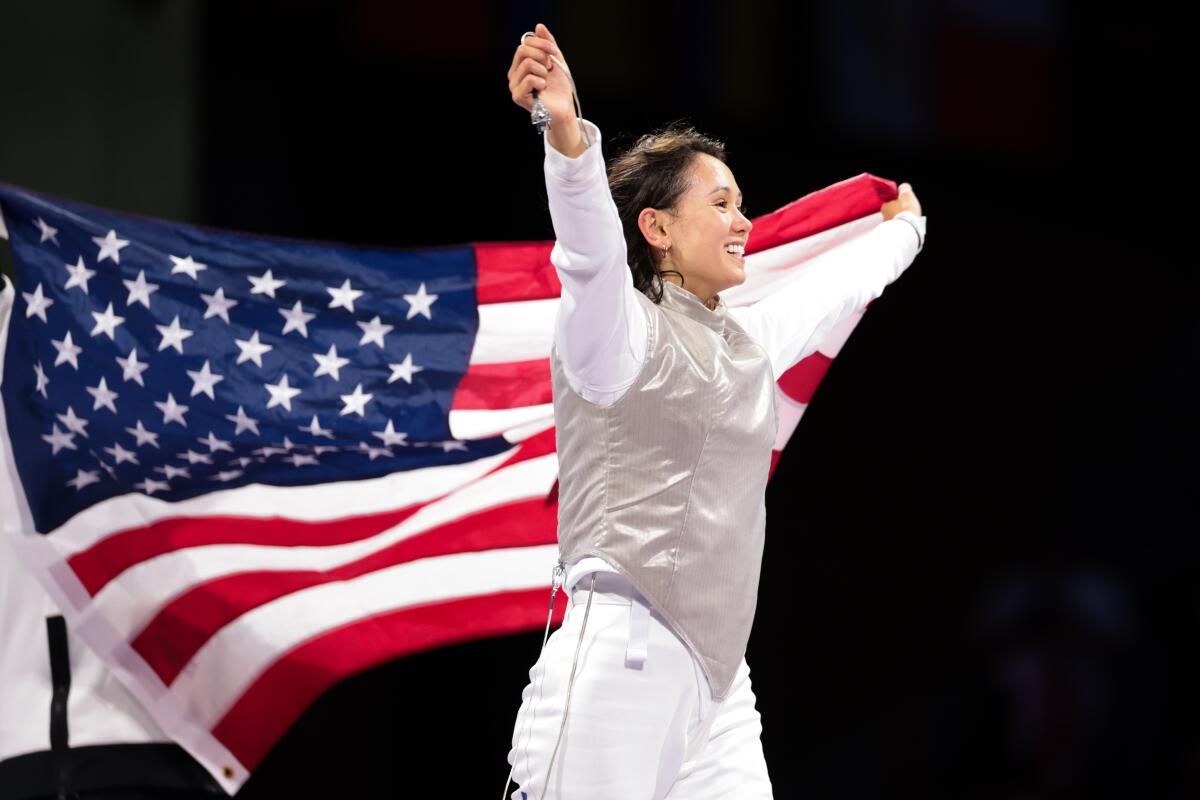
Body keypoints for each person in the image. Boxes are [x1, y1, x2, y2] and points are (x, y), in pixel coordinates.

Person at [502, 23, 926, 800]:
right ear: (657, 228)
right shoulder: (614, 331)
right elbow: (590, 248)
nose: (743, 223)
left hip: (718, 683)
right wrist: (563, 131)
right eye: (722, 203)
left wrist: (906, 233)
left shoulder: (746, 345)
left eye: (743, 205)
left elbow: (832, 288)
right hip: (618, 663)